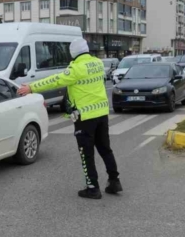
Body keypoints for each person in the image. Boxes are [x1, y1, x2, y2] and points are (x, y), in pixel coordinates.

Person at [17, 38, 121, 199]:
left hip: (85, 117)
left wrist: (31, 87)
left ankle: (93, 188)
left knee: (86, 154)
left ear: (73, 53)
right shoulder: (98, 64)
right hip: (101, 114)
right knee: (105, 149)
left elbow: (55, 80)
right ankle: (114, 181)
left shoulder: (76, 68)